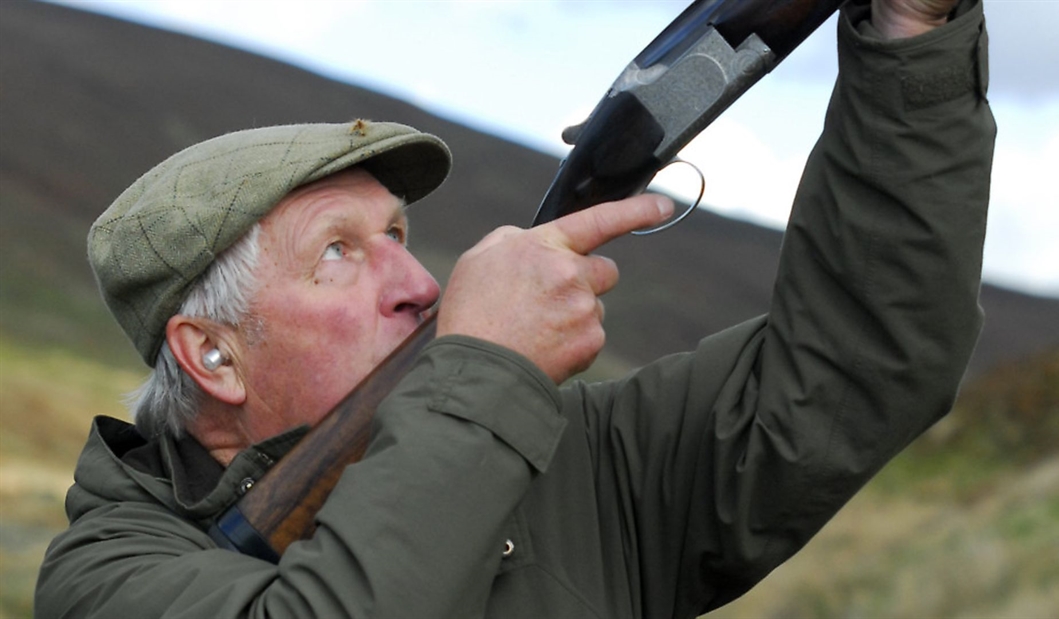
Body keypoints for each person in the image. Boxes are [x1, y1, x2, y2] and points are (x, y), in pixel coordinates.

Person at [35, 0, 995, 616]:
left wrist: (915, 41)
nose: (420, 285)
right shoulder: (107, 574)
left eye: (400, 238)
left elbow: (866, 358)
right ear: (212, 355)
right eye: (338, 253)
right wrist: (487, 372)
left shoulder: (566, 450)